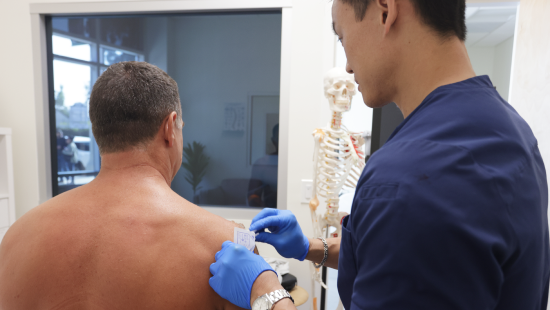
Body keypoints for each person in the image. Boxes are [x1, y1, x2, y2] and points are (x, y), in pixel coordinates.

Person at [209, 0, 549, 309]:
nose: (347, 66)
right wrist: (311, 248)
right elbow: (415, 258)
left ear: (385, 10)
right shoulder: (512, 132)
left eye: (342, 38)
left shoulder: (412, 178)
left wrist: (265, 291)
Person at [0, 62, 253, 310]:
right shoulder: (227, 247)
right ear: (169, 128)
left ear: (98, 130)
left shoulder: (16, 239)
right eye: (181, 128)